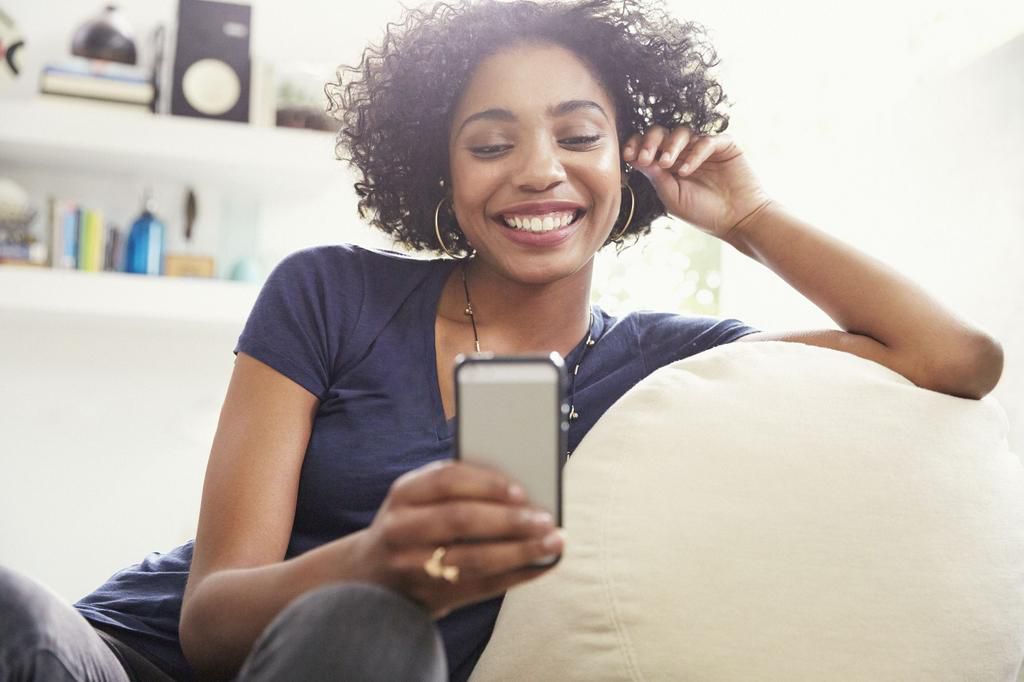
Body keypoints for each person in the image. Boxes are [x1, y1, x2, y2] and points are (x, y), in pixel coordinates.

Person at [0, 0, 1004, 680]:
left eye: (577, 136)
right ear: (439, 174)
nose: (537, 171)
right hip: (117, 661)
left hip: (368, 659)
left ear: (630, 160)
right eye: (490, 144)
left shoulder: (667, 369)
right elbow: (210, 621)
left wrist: (748, 216)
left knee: (366, 626)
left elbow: (956, 360)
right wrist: (376, 554)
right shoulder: (328, 295)